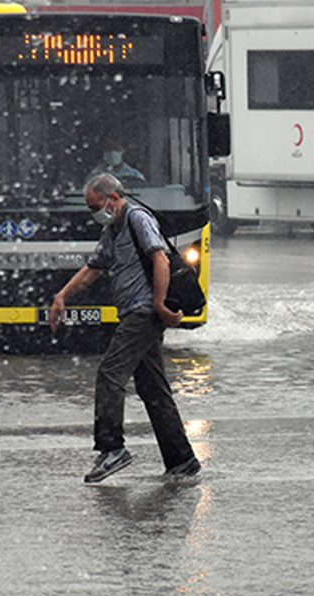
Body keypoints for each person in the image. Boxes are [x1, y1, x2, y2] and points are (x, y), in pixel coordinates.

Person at [49, 172, 200, 483]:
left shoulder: (137, 219)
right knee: (153, 390)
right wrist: (62, 295)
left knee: (109, 374)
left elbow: (161, 261)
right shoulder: (113, 230)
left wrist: (159, 305)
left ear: (114, 199)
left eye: (95, 206)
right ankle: (182, 461)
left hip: (142, 314)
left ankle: (112, 449)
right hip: (135, 313)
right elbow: (92, 270)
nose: (94, 213)